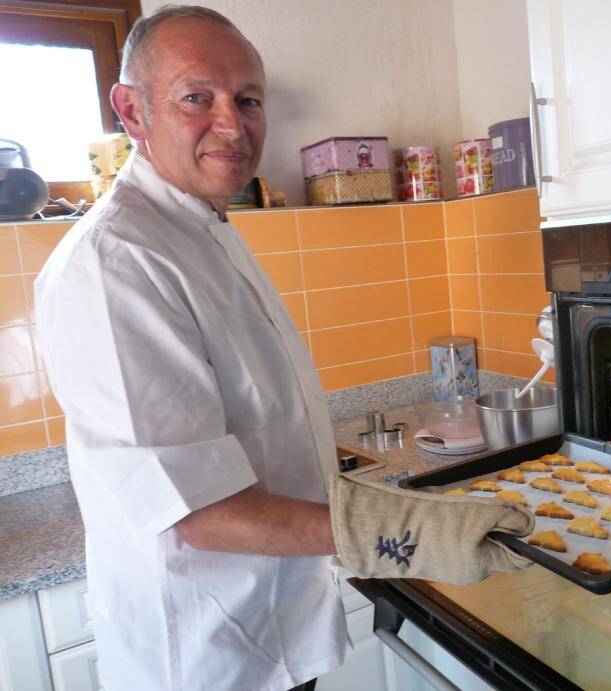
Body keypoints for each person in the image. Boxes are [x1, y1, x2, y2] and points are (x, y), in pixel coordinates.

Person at [34, 6, 531, 690]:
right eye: (195, 98)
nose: (232, 124)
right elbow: (200, 509)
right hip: (205, 660)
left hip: (269, 632)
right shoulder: (115, 263)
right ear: (131, 109)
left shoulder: (206, 231)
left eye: (247, 100)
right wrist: (413, 529)